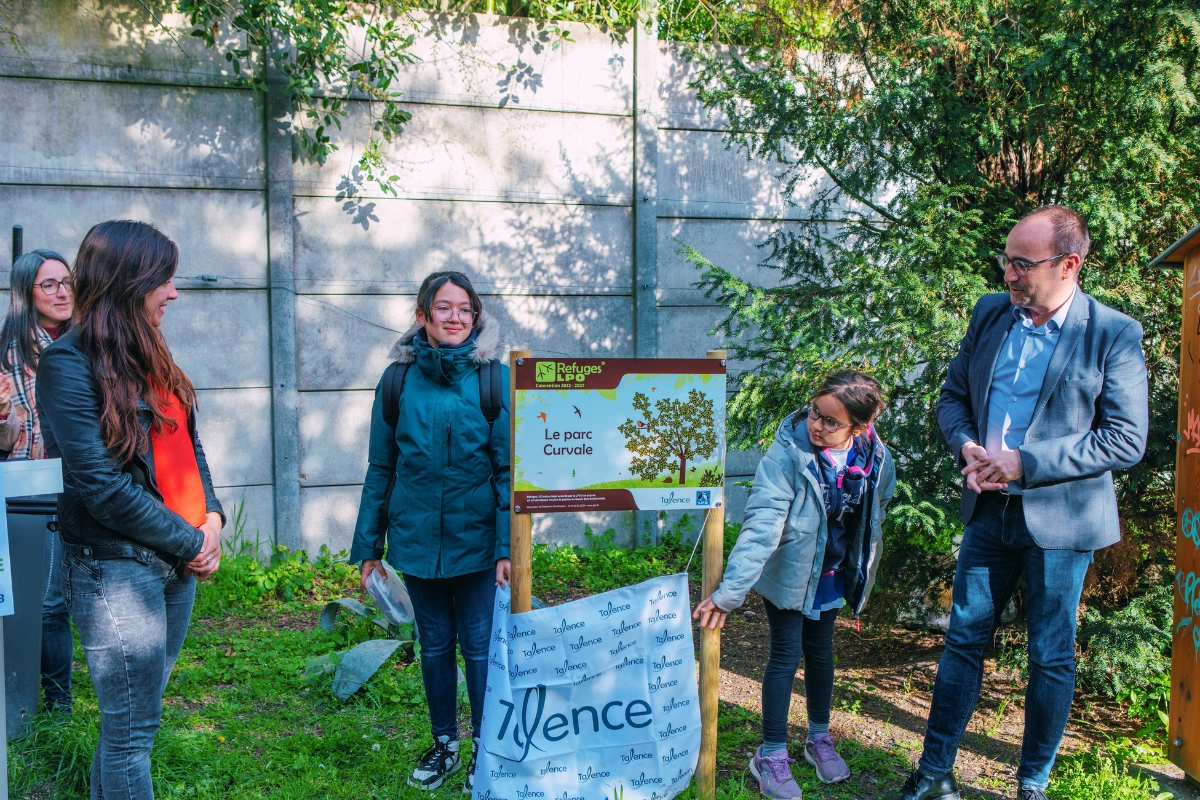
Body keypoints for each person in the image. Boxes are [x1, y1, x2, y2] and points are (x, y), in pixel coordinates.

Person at [901, 206, 1149, 800]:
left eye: (1022, 264)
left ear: (1069, 264)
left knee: (1050, 654)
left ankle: (1032, 784)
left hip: (1062, 521)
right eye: (1006, 261)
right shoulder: (990, 312)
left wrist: (1024, 462)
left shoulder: (1111, 333)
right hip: (989, 511)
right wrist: (967, 445)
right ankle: (934, 774)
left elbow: (1125, 439)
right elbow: (952, 398)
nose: (1008, 274)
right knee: (963, 639)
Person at [36, 220, 225, 800]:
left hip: (173, 561)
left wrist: (213, 517)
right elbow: (101, 485)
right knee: (131, 736)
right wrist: (191, 541)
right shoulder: (67, 364)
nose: (174, 293)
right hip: (116, 568)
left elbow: (187, 444)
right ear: (128, 281)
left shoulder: (148, 350)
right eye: (163, 280)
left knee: (130, 726)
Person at [693, 370, 896, 799]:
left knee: (821, 652)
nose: (817, 425)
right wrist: (730, 593)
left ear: (859, 427)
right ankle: (770, 753)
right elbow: (762, 525)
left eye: (831, 421)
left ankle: (818, 737)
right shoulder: (787, 454)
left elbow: (875, 512)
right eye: (814, 412)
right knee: (785, 655)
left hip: (833, 575)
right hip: (790, 575)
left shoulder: (875, 458)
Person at [349, 270, 511, 793]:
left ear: (476, 316)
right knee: (435, 647)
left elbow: (508, 472)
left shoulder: (494, 380)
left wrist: (506, 548)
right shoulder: (397, 381)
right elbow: (381, 468)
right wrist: (369, 548)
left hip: (478, 543)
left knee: (480, 648)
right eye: (444, 307)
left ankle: (486, 748)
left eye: (465, 309)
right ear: (422, 315)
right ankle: (445, 743)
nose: (455, 317)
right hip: (416, 542)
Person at [0, 248, 75, 713]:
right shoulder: (14, 352)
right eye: (50, 284)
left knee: (55, 598)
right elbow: (10, 434)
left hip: (78, 483)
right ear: (26, 293)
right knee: (45, 599)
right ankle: (54, 707)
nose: (63, 292)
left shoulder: (84, 341)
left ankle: (48, 702)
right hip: (31, 487)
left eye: (67, 282)